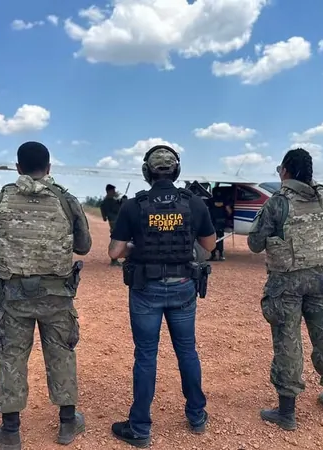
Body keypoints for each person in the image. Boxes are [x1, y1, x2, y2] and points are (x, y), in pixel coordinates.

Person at [0, 141, 92, 448]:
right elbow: (84, 245)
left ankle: (10, 431)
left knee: (12, 358)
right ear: (48, 168)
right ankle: (66, 424)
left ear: (18, 167)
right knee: (61, 354)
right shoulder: (66, 200)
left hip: (14, 298)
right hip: (57, 297)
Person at [107, 145, 217, 448]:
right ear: (176, 171)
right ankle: (196, 415)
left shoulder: (133, 205)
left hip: (146, 290)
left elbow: (115, 251)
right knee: (187, 351)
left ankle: (140, 427)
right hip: (183, 286)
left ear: (147, 173)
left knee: (146, 355)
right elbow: (208, 245)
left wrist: (135, 248)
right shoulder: (193, 203)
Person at [246, 148, 323, 430]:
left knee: (287, 340)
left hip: (286, 284)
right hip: (322, 280)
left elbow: (254, 243)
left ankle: (287, 412)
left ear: (286, 171)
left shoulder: (277, 203)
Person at [101, 184, 123, 266]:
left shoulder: (108, 201)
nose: (114, 192)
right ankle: (114, 260)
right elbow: (116, 210)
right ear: (109, 191)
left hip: (114, 222)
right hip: (114, 222)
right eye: (113, 191)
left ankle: (114, 259)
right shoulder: (108, 201)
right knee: (116, 239)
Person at [208, 189, 232, 261]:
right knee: (220, 238)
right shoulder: (225, 200)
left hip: (213, 221)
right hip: (221, 221)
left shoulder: (211, 200)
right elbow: (229, 210)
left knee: (213, 238)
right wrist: (229, 217)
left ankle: (213, 255)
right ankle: (221, 255)